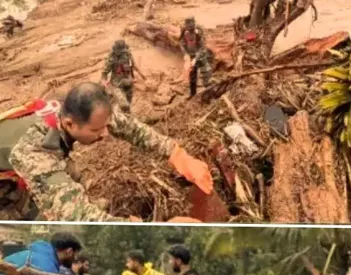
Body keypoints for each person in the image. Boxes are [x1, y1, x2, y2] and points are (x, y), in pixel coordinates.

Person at [0, 82, 212, 221]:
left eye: (105, 126)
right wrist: (146, 226)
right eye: (96, 130)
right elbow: (77, 217)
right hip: (7, 176)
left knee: (70, 175)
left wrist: (175, 153)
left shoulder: (77, 109)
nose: (105, 134)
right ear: (69, 124)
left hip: (22, 159)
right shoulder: (35, 152)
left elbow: (128, 126)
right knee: (36, 218)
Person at [101, 40, 146, 114]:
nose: (121, 52)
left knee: (128, 103)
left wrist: (143, 76)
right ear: (115, 49)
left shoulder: (127, 54)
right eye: (120, 51)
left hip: (128, 82)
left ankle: (126, 116)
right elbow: (104, 73)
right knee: (124, 105)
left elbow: (133, 66)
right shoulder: (111, 58)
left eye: (123, 50)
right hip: (117, 84)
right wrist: (104, 82)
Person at [179, 17, 213, 98]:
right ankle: (192, 94)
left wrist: (196, 58)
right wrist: (185, 54)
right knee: (192, 75)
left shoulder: (199, 33)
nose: (189, 28)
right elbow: (181, 43)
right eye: (188, 26)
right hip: (191, 55)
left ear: (194, 25)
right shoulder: (184, 31)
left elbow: (202, 47)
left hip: (201, 55)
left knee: (206, 74)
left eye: (191, 26)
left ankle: (209, 93)